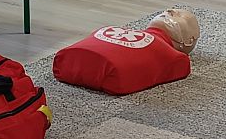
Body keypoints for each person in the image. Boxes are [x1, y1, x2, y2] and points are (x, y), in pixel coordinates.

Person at [52, 9, 200, 95]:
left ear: (188, 41)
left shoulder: (176, 58)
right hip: (94, 68)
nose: (169, 11)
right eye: (168, 11)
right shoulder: (118, 29)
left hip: (66, 61)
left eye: (178, 15)